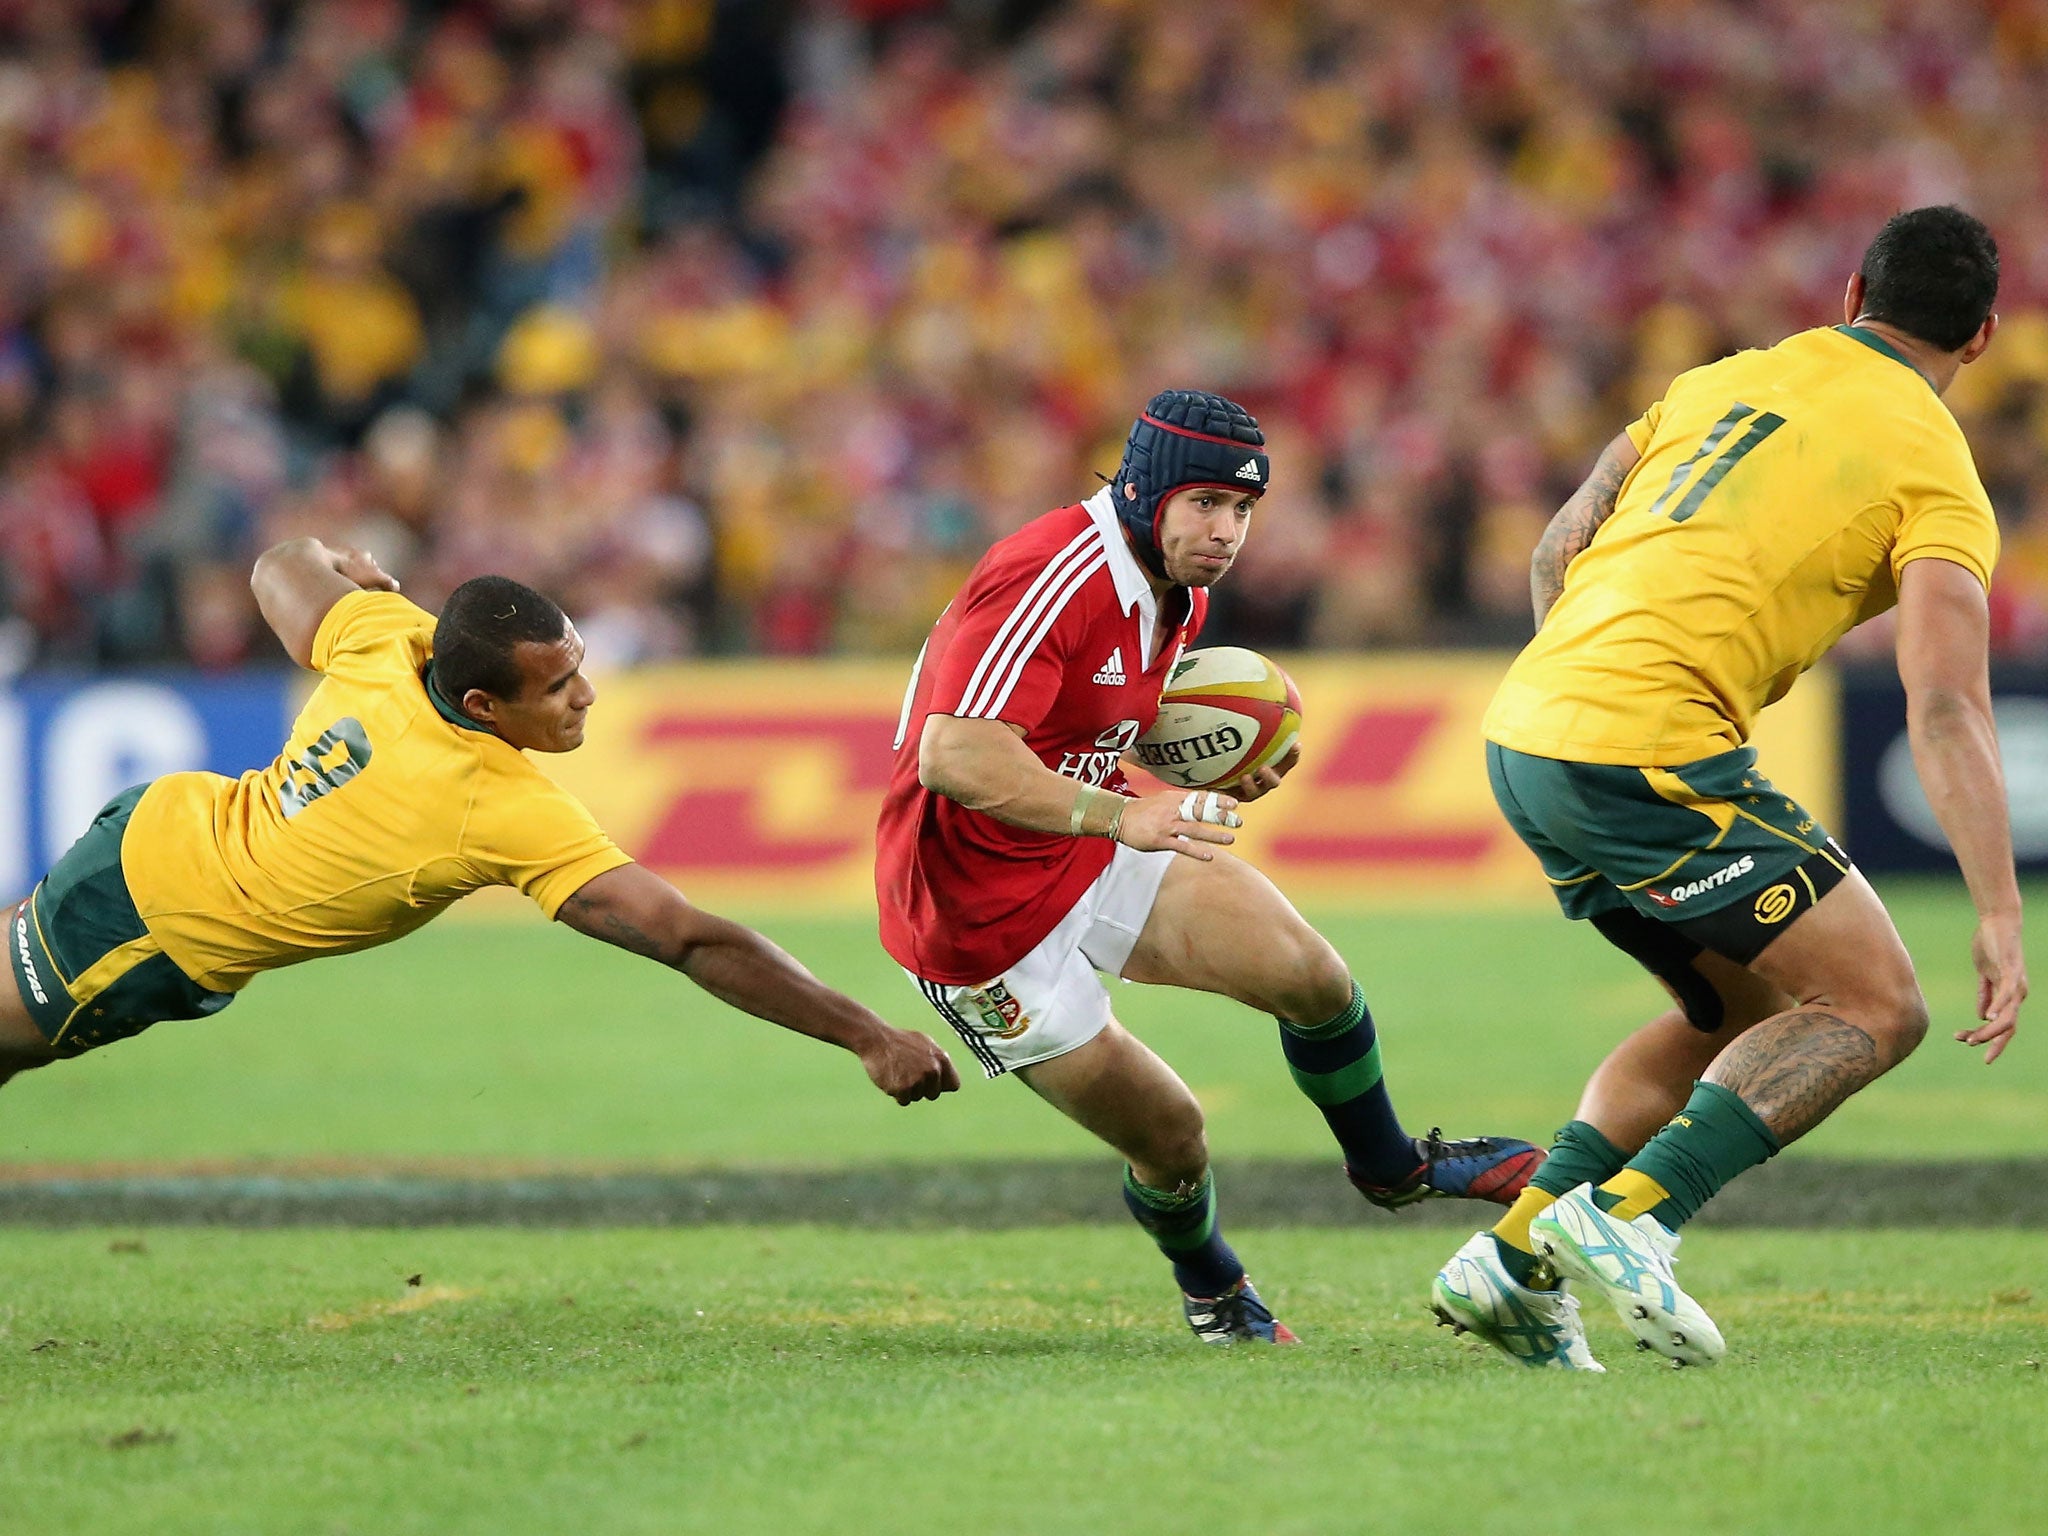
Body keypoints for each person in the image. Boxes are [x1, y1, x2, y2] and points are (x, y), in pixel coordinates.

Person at [1430, 205, 2029, 1371]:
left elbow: (1558, 542)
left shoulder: (1724, 379)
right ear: (1984, 339)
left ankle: (1509, 1255)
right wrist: (1999, 912)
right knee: (1876, 1006)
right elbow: (1947, 706)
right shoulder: (1939, 473)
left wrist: (1580, 690)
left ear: (1851, 291)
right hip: (1645, 748)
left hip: (1522, 731)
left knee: (1742, 1015)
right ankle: (1632, 1216)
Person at [876, 388, 1541, 1346]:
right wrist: (1124, 812)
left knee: (1312, 979)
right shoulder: (1052, 574)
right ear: (1145, 491)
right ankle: (1214, 1285)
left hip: (1083, 841)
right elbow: (957, 756)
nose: (1227, 532)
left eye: (1242, 511)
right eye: (1206, 505)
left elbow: (1094, 728)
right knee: (1173, 1141)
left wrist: (1205, 771)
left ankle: (1390, 1166)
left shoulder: (1175, 587)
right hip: (972, 924)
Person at [1, 539, 959, 1123]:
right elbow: (686, 937)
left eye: (578, 664)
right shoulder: (496, 805)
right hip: (147, 925)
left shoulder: (389, 637)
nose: (585, 695)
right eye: (555, 686)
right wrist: (868, 1036)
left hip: (155, 829)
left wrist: (353, 570)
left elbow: (279, 564)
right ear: (480, 703)